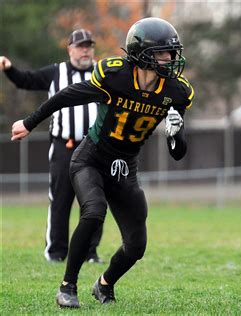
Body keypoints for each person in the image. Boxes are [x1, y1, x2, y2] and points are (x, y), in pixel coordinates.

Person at [11, 17, 194, 308]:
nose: (171, 59)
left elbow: (178, 153)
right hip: (91, 158)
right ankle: (67, 286)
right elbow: (67, 96)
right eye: (163, 52)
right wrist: (30, 122)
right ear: (142, 54)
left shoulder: (176, 92)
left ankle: (104, 284)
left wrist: (175, 133)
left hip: (125, 166)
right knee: (94, 212)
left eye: (172, 52)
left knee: (136, 245)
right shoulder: (116, 76)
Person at [0, 29, 103, 263]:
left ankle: (90, 252)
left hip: (95, 148)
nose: (85, 49)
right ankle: (56, 252)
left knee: (94, 200)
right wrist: (9, 68)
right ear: (70, 49)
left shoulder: (102, 72)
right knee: (61, 200)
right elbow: (27, 80)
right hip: (64, 146)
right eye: (80, 45)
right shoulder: (57, 72)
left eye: (89, 45)